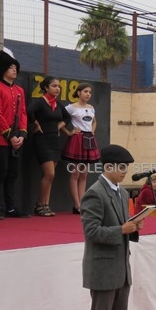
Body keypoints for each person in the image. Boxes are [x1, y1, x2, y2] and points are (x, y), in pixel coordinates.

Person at [81, 144, 143, 310]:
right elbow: (92, 232)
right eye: (122, 167)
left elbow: (123, 226)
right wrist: (122, 229)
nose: (125, 171)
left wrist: (134, 227)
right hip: (103, 267)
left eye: (126, 167)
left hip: (121, 266)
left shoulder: (123, 193)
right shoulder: (94, 193)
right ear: (108, 167)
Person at [0, 50, 28, 220]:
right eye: (11, 67)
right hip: (1, 139)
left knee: (12, 174)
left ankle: (10, 207)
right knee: (0, 173)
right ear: (3, 69)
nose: (14, 70)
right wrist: (10, 135)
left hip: (17, 138)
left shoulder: (20, 90)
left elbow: (23, 113)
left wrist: (22, 134)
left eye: (15, 67)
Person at [27, 76, 71, 217]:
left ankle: (45, 204)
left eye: (59, 86)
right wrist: (36, 124)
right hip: (42, 140)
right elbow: (28, 111)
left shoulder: (58, 104)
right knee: (49, 173)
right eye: (54, 86)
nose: (57, 88)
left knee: (50, 176)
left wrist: (59, 126)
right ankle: (40, 204)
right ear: (46, 87)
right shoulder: (40, 102)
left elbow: (67, 117)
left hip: (54, 140)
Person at [61, 83, 99, 214]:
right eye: (85, 91)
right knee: (75, 173)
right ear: (78, 93)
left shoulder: (91, 108)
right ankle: (76, 205)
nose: (88, 94)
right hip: (77, 140)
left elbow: (94, 121)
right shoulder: (70, 107)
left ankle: (82, 204)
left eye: (90, 92)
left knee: (84, 174)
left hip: (89, 139)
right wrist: (68, 132)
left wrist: (92, 131)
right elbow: (61, 121)